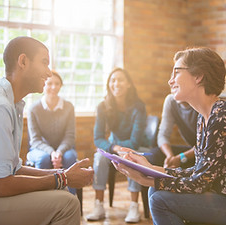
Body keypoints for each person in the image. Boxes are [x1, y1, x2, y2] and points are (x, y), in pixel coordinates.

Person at [0, 36, 94, 225]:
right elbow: (2, 185)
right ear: (23, 61)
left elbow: (15, 169)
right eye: (44, 62)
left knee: (60, 191)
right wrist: (63, 178)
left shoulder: (13, 103)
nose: (49, 73)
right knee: (68, 203)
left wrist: (63, 173)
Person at [113, 47, 226, 225]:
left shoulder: (220, 116)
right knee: (155, 193)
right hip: (216, 194)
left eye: (176, 72)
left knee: (159, 198)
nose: (170, 80)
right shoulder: (205, 118)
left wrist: (145, 179)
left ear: (199, 76)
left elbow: (199, 183)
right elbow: (197, 173)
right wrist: (150, 169)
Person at [86, 68, 147, 223]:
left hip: (134, 148)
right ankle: (98, 204)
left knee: (131, 156)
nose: (116, 83)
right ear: (109, 85)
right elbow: (98, 139)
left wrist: (121, 149)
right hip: (112, 147)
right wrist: (115, 148)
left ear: (128, 84)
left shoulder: (139, 107)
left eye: (120, 80)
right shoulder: (103, 106)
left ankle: (134, 205)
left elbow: (135, 142)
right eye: (113, 80)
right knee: (99, 157)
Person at [27, 70, 77, 194]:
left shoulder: (69, 107)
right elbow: (35, 140)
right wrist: (51, 152)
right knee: (43, 159)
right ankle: (44, 199)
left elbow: (70, 137)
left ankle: (70, 199)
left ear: (61, 86)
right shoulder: (33, 108)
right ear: (44, 84)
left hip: (64, 149)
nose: (53, 87)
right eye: (49, 84)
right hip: (39, 149)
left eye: (57, 84)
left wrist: (59, 152)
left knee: (70, 157)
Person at [147, 93, 198, 169]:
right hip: (191, 150)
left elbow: (205, 145)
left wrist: (180, 157)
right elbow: (162, 135)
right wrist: (170, 157)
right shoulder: (171, 100)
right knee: (153, 154)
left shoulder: (201, 102)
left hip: (205, 153)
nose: (171, 83)